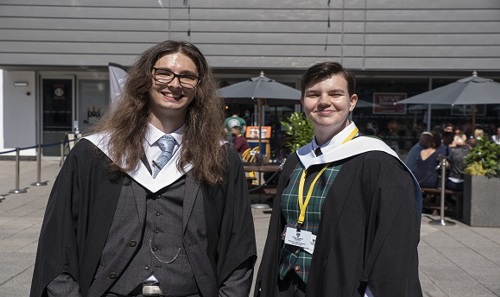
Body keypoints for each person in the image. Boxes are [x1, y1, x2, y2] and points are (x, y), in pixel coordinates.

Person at [30, 40, 257, 297]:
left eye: (187, 77)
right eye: (164, 73)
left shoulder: (220, 157)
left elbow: (240, 242)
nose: (174, 84)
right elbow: (58, 239)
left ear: (199, 87)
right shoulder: (93, 153)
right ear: (145, 79)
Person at [254, 62, 422, 297]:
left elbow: (395, 245)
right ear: (303, 103)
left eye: (335, 94)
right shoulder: (296, 160)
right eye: (313, 94)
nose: (324, 102)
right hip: (285, 286)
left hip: (341, 287)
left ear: (352, 101)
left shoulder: (379, 163)